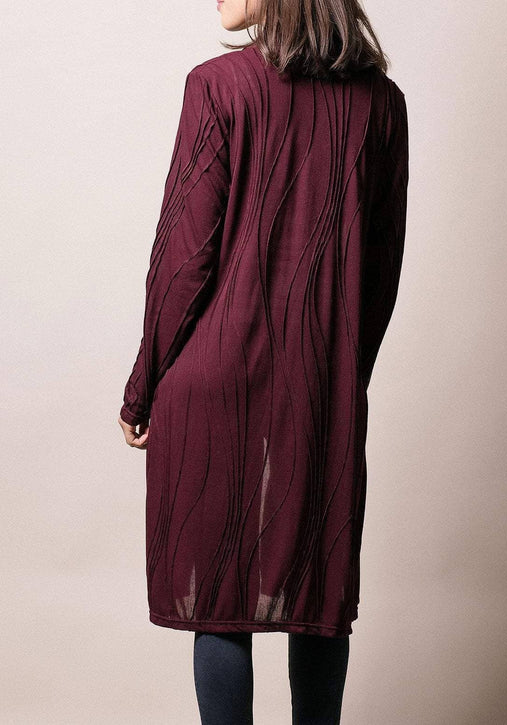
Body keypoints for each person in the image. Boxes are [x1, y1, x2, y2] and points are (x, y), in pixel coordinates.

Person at [118, 0, 409, 721]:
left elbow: (183, 256)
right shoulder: (383, 104)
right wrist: (342, 375)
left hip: (211, 380)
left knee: (221, 600)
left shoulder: (218, 86)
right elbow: (380, 269)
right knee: (319, 598)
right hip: (322, 386)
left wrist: (142, 387)